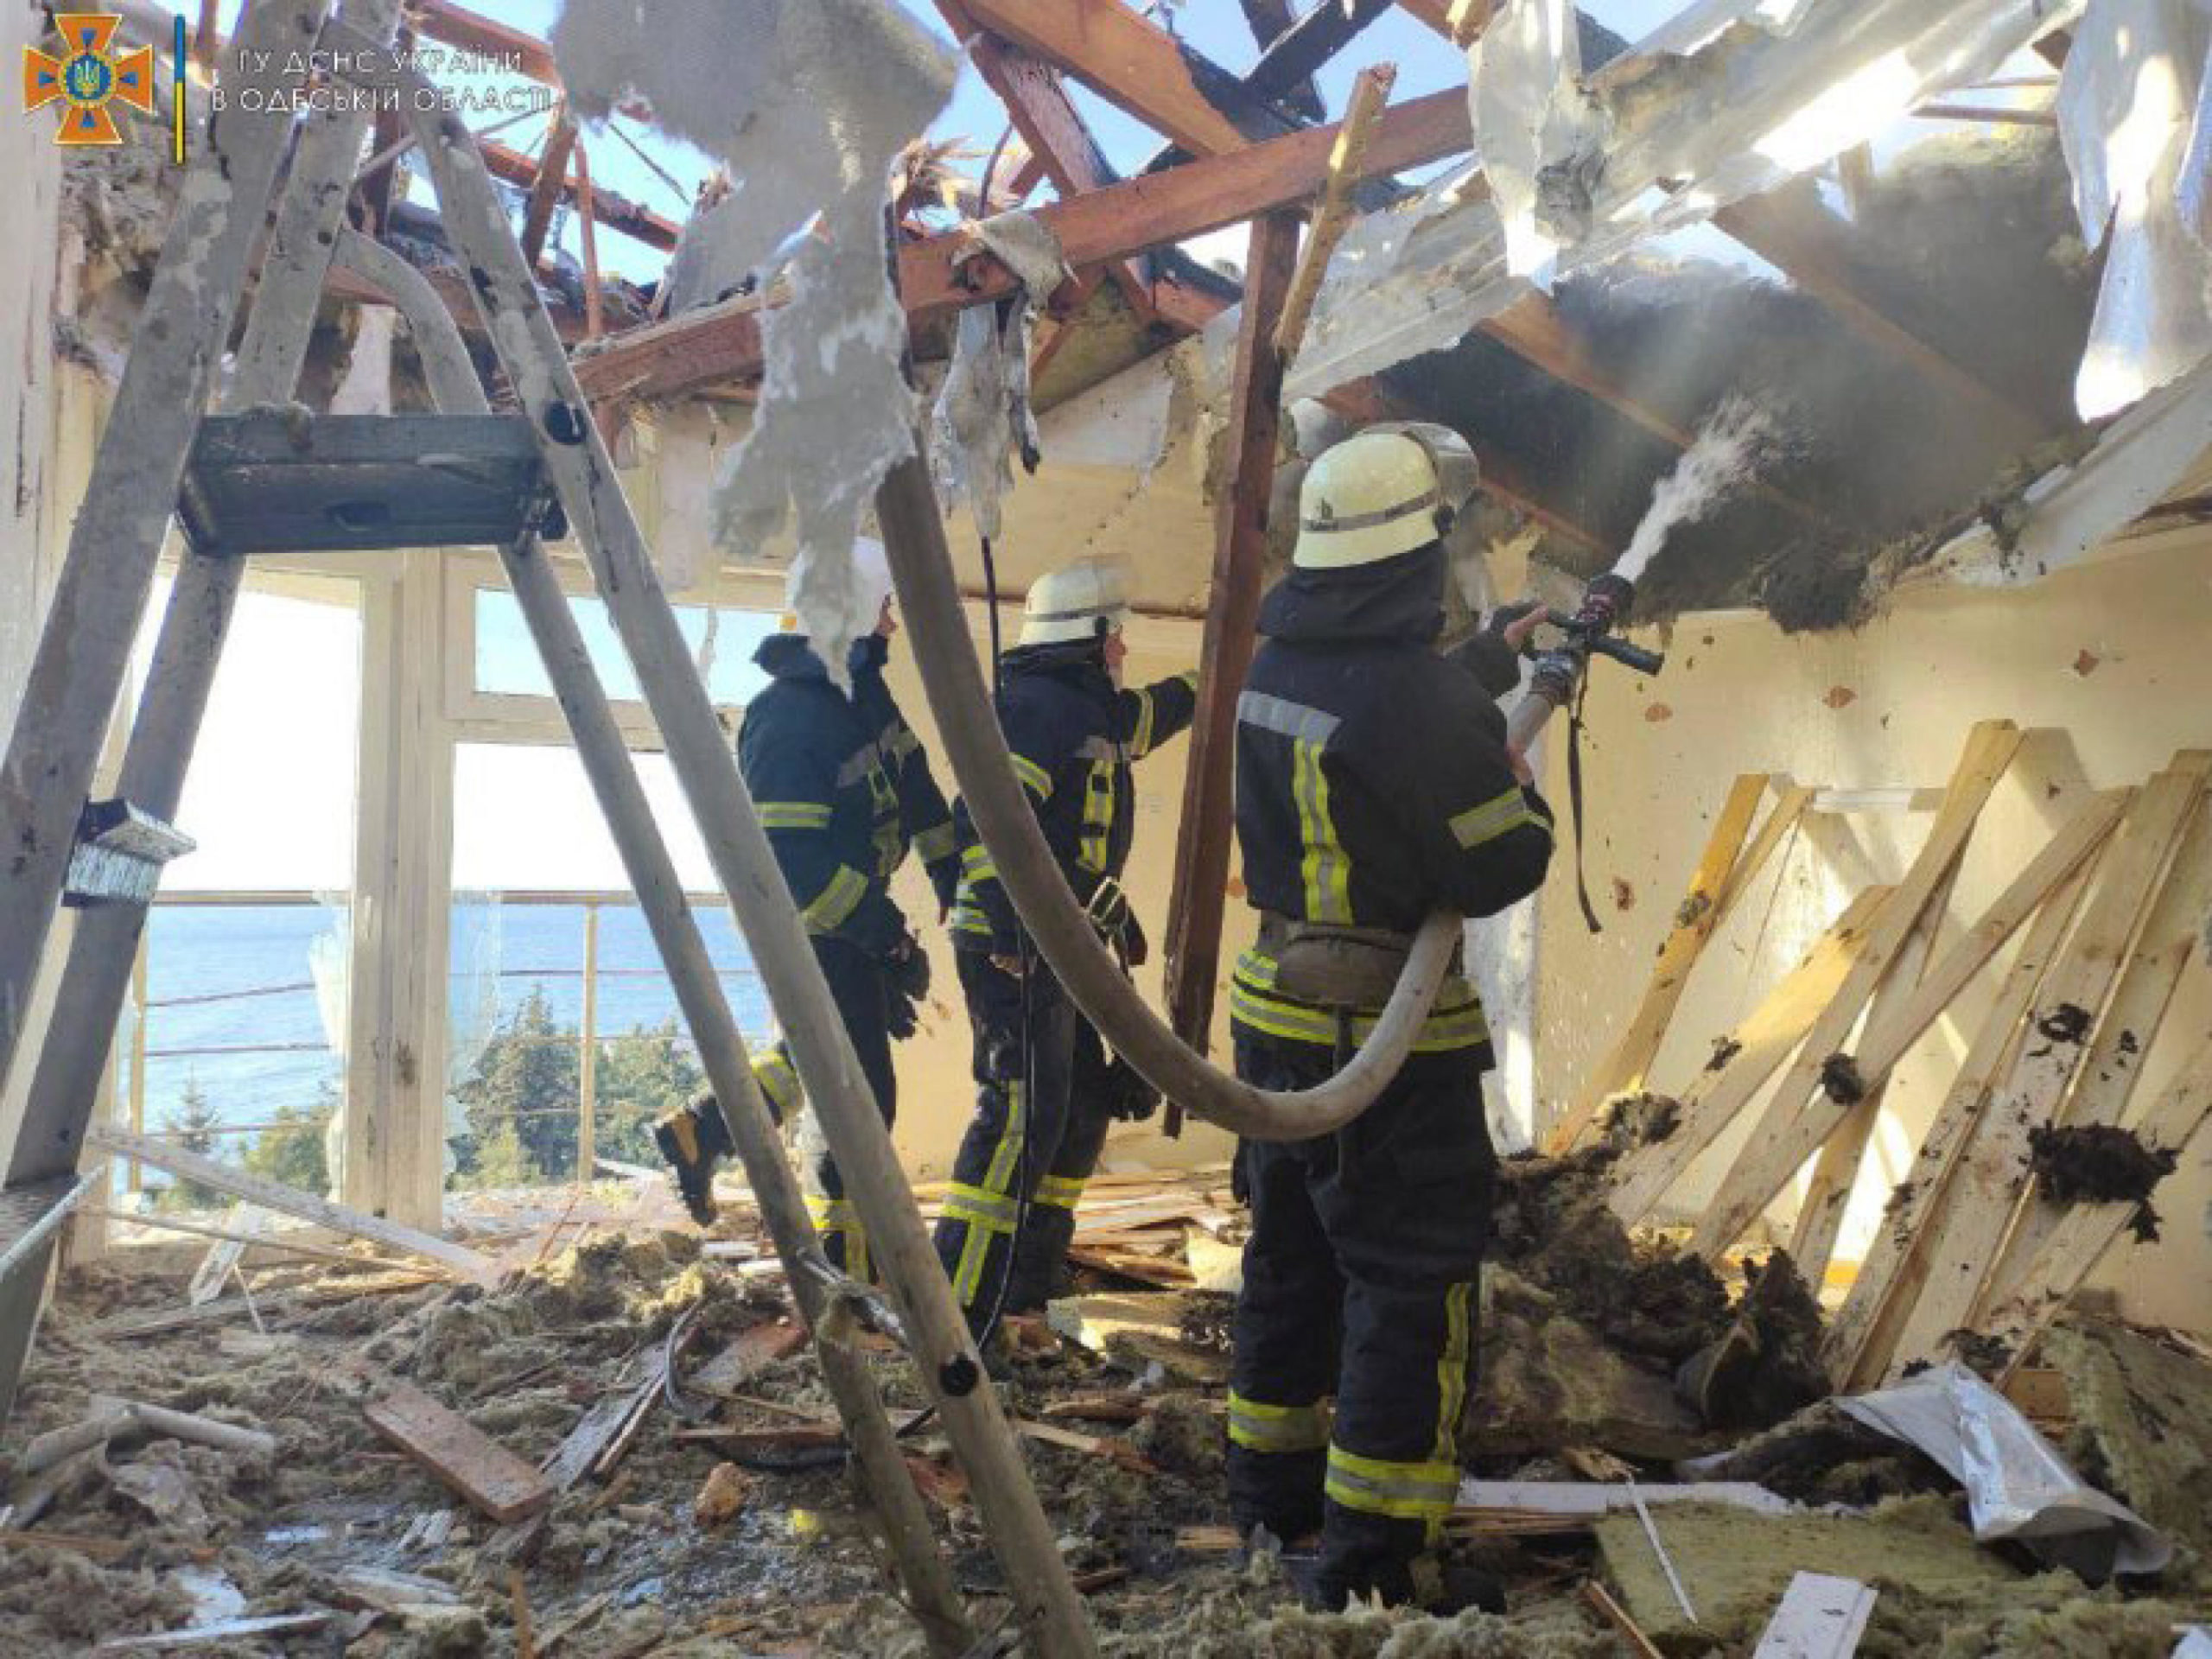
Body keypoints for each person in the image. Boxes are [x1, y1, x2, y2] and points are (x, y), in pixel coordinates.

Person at [1224, 426, 1555, 1611]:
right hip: (1387, 1043)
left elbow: (1369, 720)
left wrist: (1480, 664)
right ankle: (1377, 1564)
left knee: (1290, 1259)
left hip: (1276, 1016)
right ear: (1419, 551)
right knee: (1410, 1286)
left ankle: (1267, 1503)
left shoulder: (1274, 662)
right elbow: (1496, 864)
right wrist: (1521, 793)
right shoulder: (1420, 706)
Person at [654, 539, 959, 1276]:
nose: (893, 625)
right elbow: (793, 868)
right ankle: (845, 1267)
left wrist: (955, 877)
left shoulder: (859, 698)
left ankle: (703, 1127)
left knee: (825, 1053)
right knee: (857, 1097)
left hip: (850, 917)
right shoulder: (788, 718)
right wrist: (886, 939)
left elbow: (914, 783)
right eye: (883, 610)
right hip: (814, 923)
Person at [932, 558, 1196, 1337]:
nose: (1124, 651)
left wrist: (1219, 676)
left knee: (1079, 1107)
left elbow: (1146, 718)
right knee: (1019, 1116)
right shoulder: (1034, 709)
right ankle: (962, 1308)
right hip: (1014, 943)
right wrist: (1012, 929)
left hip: (1064, 943)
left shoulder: (1086, 707)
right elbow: (991, 820)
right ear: (1090, 635)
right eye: (1117, 638)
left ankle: (1030, 1281)